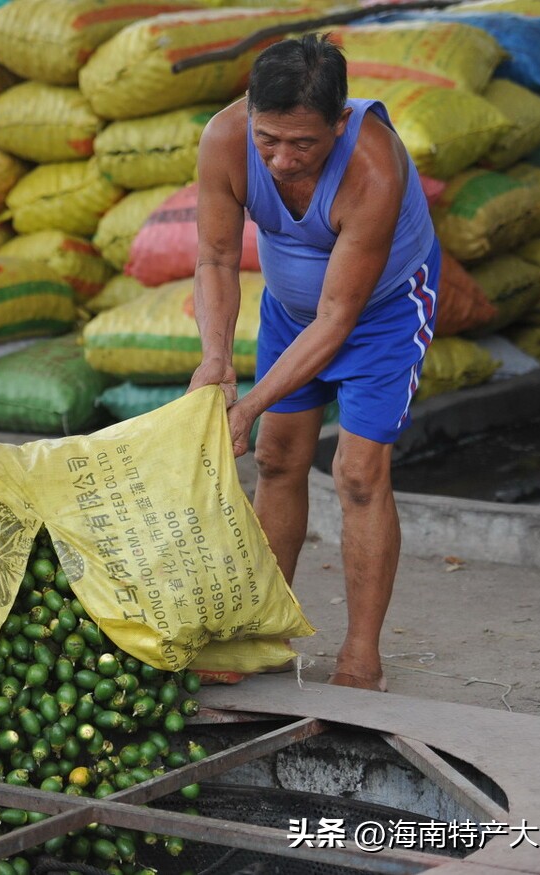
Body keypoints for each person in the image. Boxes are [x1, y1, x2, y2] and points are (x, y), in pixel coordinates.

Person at [187, 34, 439, 692]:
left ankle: (362, 656)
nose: (282, 158)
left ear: (340, 120)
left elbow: (339, 321)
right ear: (249, 113)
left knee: (357, 472)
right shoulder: (223, 140)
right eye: (269, 139)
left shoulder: (374, 164)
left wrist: (248, 404)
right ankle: (264, 631)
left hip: (382, 314)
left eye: (305, 144)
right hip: (290, 312)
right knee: (275, 458)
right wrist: (217, 360)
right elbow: (214, 259)